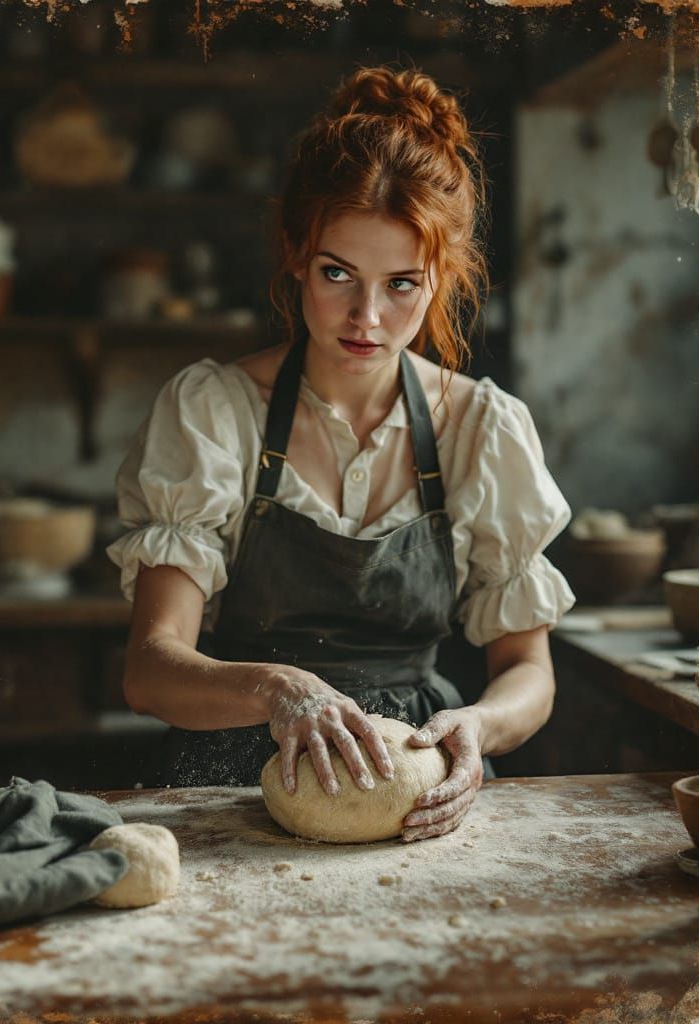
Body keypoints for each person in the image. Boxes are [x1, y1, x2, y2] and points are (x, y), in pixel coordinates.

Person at [108, 65, 576, 843]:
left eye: (402, 284)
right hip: (233, 781)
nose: (366, 317)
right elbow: (149, 670)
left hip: (414, 781)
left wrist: (480, 725)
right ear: (295, 254)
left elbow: (529, 674)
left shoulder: (481, 429)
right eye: (338, 274)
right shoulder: (216, 412)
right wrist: (278, 688)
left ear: (442, 279)